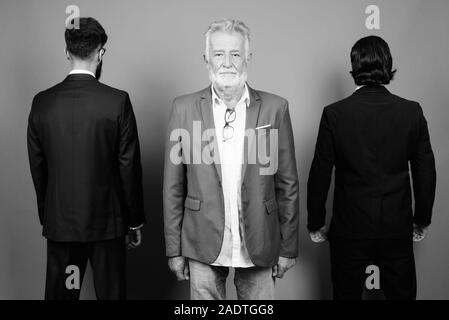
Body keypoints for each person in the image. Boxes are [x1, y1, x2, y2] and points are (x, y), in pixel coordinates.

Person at [163, 19, 299, 300]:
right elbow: (173, 187)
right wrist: (173, 249)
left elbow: (287, 184)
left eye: (235, 54)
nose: (227, 62)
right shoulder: (183, 109)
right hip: (201, 241)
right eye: (218, 54)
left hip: (260, 240)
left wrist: (288, 247)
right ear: (206, 59)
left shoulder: (276, 109)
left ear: (248, 57)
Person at [307, 35, 436, 300]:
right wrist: (422, 219)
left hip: (349, 227)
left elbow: (320, 172)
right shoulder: (411, 112)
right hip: (396, 226)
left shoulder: (335, 113)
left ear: (354, 68)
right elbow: (425, 171)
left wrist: (316, 223)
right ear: (388, 67)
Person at [27, 17, 145, 300]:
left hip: (61, 224)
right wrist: (134, 221)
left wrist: (50, 216)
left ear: (67, 52)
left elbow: (38, 166)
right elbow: (128, 166)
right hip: (108, 224)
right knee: (111, 295)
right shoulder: (117, 101)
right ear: (101, 52)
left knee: (62, 297)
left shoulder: (42, 102)